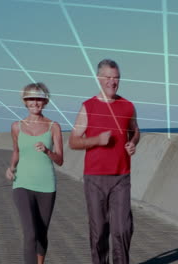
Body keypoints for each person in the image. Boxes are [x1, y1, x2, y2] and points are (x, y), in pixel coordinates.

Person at [69, 59, 140, 264]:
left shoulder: (127, 106)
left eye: (116, 78)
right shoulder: (88, 106)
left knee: (122, 229)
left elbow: (135, 130)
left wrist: (133, 142)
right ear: (99, 78)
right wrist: (97, 140)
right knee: (99, 232)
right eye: (108, 77)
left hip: (121, 176)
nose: (113, 81)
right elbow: (73, 141)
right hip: (95, 178)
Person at [6, 83, 63, 264]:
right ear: (25, 101)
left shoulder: (54, 126)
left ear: (45, 101)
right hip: (22, 183)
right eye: (31, 98)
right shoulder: (16, 127)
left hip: (46, 186)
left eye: (38, 98)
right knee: (30, 233)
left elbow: (60, 159)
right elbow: (16, 151)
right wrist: (11, 168)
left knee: (41, 233)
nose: (35, 102)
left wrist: (47, 151)